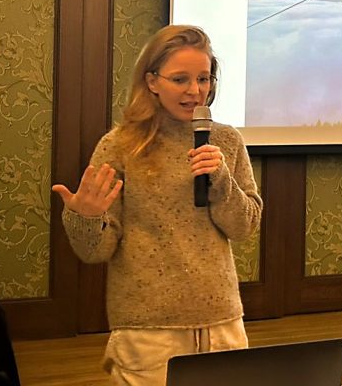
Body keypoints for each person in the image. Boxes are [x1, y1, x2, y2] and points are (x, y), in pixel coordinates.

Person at [52, 25, 263, 386]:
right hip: (148, 329)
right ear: (151, 81)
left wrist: (221, 182)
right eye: (180, 79)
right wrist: (85, 217)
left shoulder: (226, 140)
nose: (195, 91)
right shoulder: (120, 145)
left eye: (203, 78)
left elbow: (244, 227)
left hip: (222, 321)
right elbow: (95, 251)